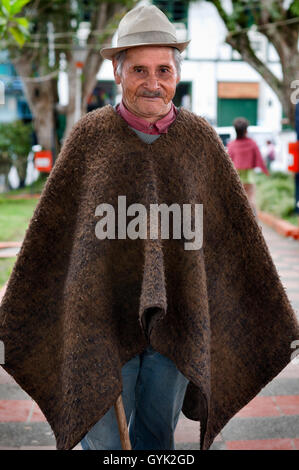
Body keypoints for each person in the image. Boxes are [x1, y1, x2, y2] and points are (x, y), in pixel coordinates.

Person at [0, 5, 298, 452]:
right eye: (139, 69)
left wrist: (270, 316)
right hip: (98, 322)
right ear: (117, 73)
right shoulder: (89, 137)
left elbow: (235, 240)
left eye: (164, 69)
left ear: (177, 74)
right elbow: (52, 237)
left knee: (157, 438)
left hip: (179, 319)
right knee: (101, 443)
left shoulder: (200, 140)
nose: (153, 82)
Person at [227, 117, 269, 217]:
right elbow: (259, 159)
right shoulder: (252, 143)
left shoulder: (231, 145)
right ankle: (253, 222)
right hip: (249, 178)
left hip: (236, 178)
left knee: (237, 202)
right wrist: (266, 171)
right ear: (246, 130)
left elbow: (228, 162)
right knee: (251, 201)